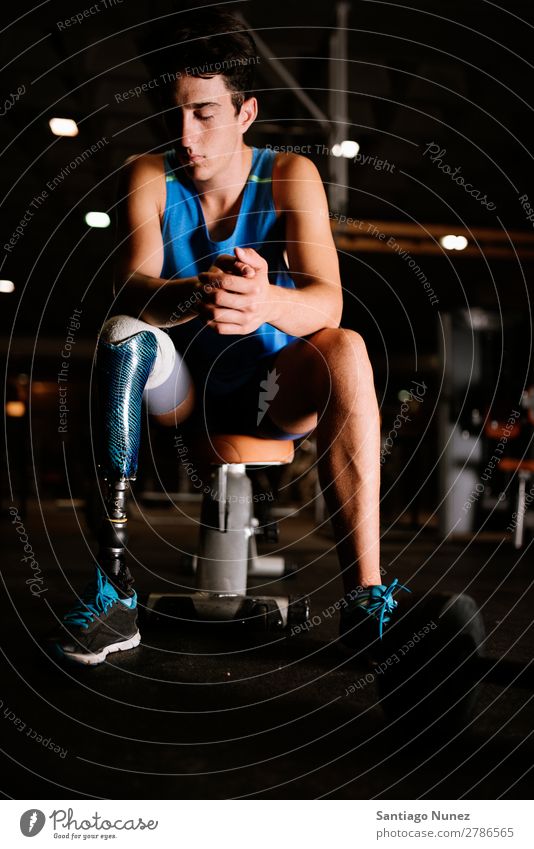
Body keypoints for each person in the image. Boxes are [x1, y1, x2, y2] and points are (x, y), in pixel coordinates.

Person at [55, 9, 408, 665]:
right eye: (175, 112)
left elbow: (328, 301)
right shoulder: (148, 175)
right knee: (121, 332)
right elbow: (129, 283)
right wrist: (197, 293)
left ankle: (364, 599)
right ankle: (114, 593)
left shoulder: (288, 174)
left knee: (348, 346)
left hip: (268, 392)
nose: (186, 134)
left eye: (205, 112)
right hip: (180, 391)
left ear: (246, 113)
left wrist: (263, 299)